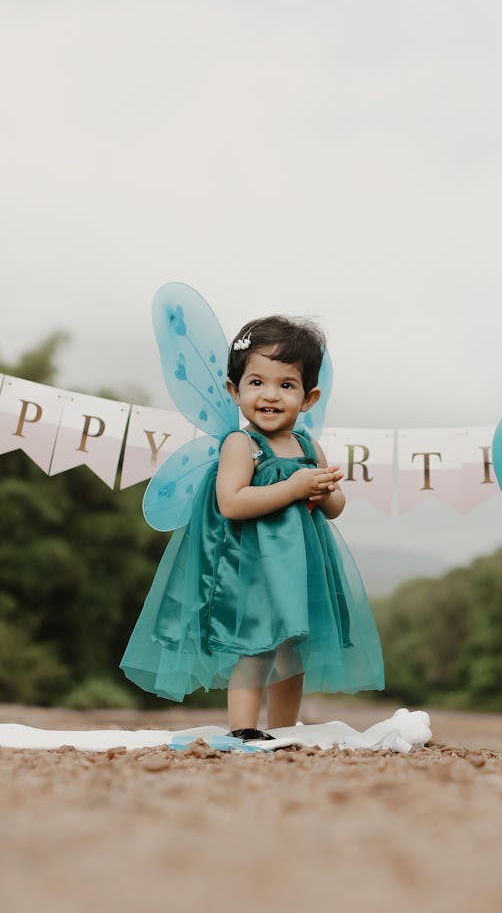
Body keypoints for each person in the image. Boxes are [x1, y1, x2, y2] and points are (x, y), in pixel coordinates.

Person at [119, 314, 384, 739]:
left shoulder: (306, 446)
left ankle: (283, 731)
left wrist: (324, 489)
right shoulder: (241, 444)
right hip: (251, 566)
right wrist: (295, 487)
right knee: (255, 646)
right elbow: (233, 502)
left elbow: (332, 509)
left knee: (291, 652)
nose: (270, 395)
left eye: (286, 385)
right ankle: (243, 728)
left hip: (298, 567)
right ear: (234, 390)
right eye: (256, 382)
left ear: (309, 397)